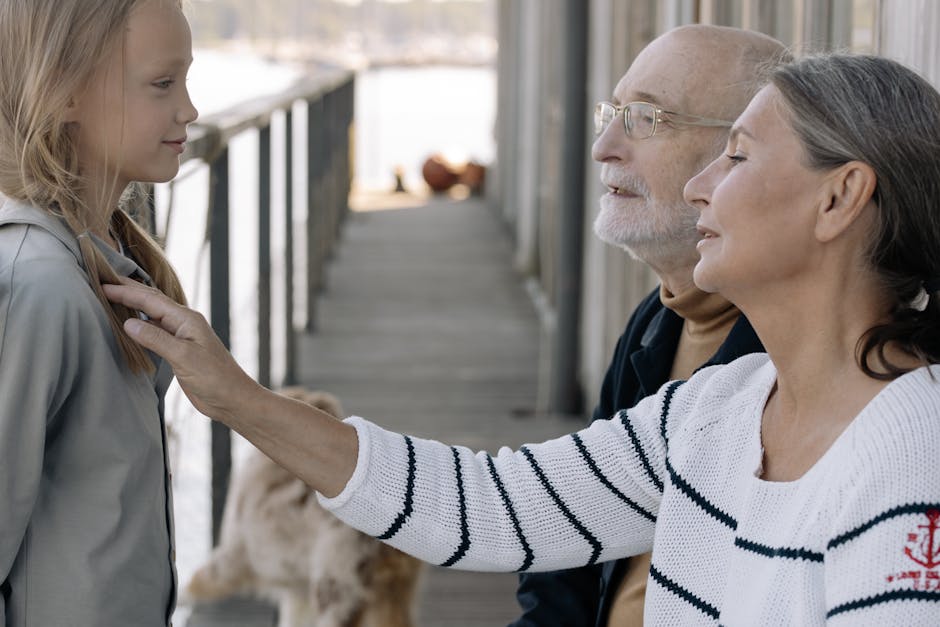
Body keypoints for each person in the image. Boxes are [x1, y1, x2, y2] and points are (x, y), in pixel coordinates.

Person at [106, 52, 940, 624]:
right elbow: (489, 506)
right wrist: (237, 398)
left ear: (839, 199)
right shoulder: (716, 410)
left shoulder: (911, 457)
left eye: (736, 156)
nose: (696, 185)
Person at [514, 25, 784, 627]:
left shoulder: (798, 344)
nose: (604, 146)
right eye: (611, 113)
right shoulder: (656, 319)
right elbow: (568, 531)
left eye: (645, 118)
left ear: (742, 154)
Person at [0, 0, 198, 624]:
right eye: (162, 84)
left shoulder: (100, 258)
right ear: (63, 93)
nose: (190, 110)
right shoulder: (36, 287)